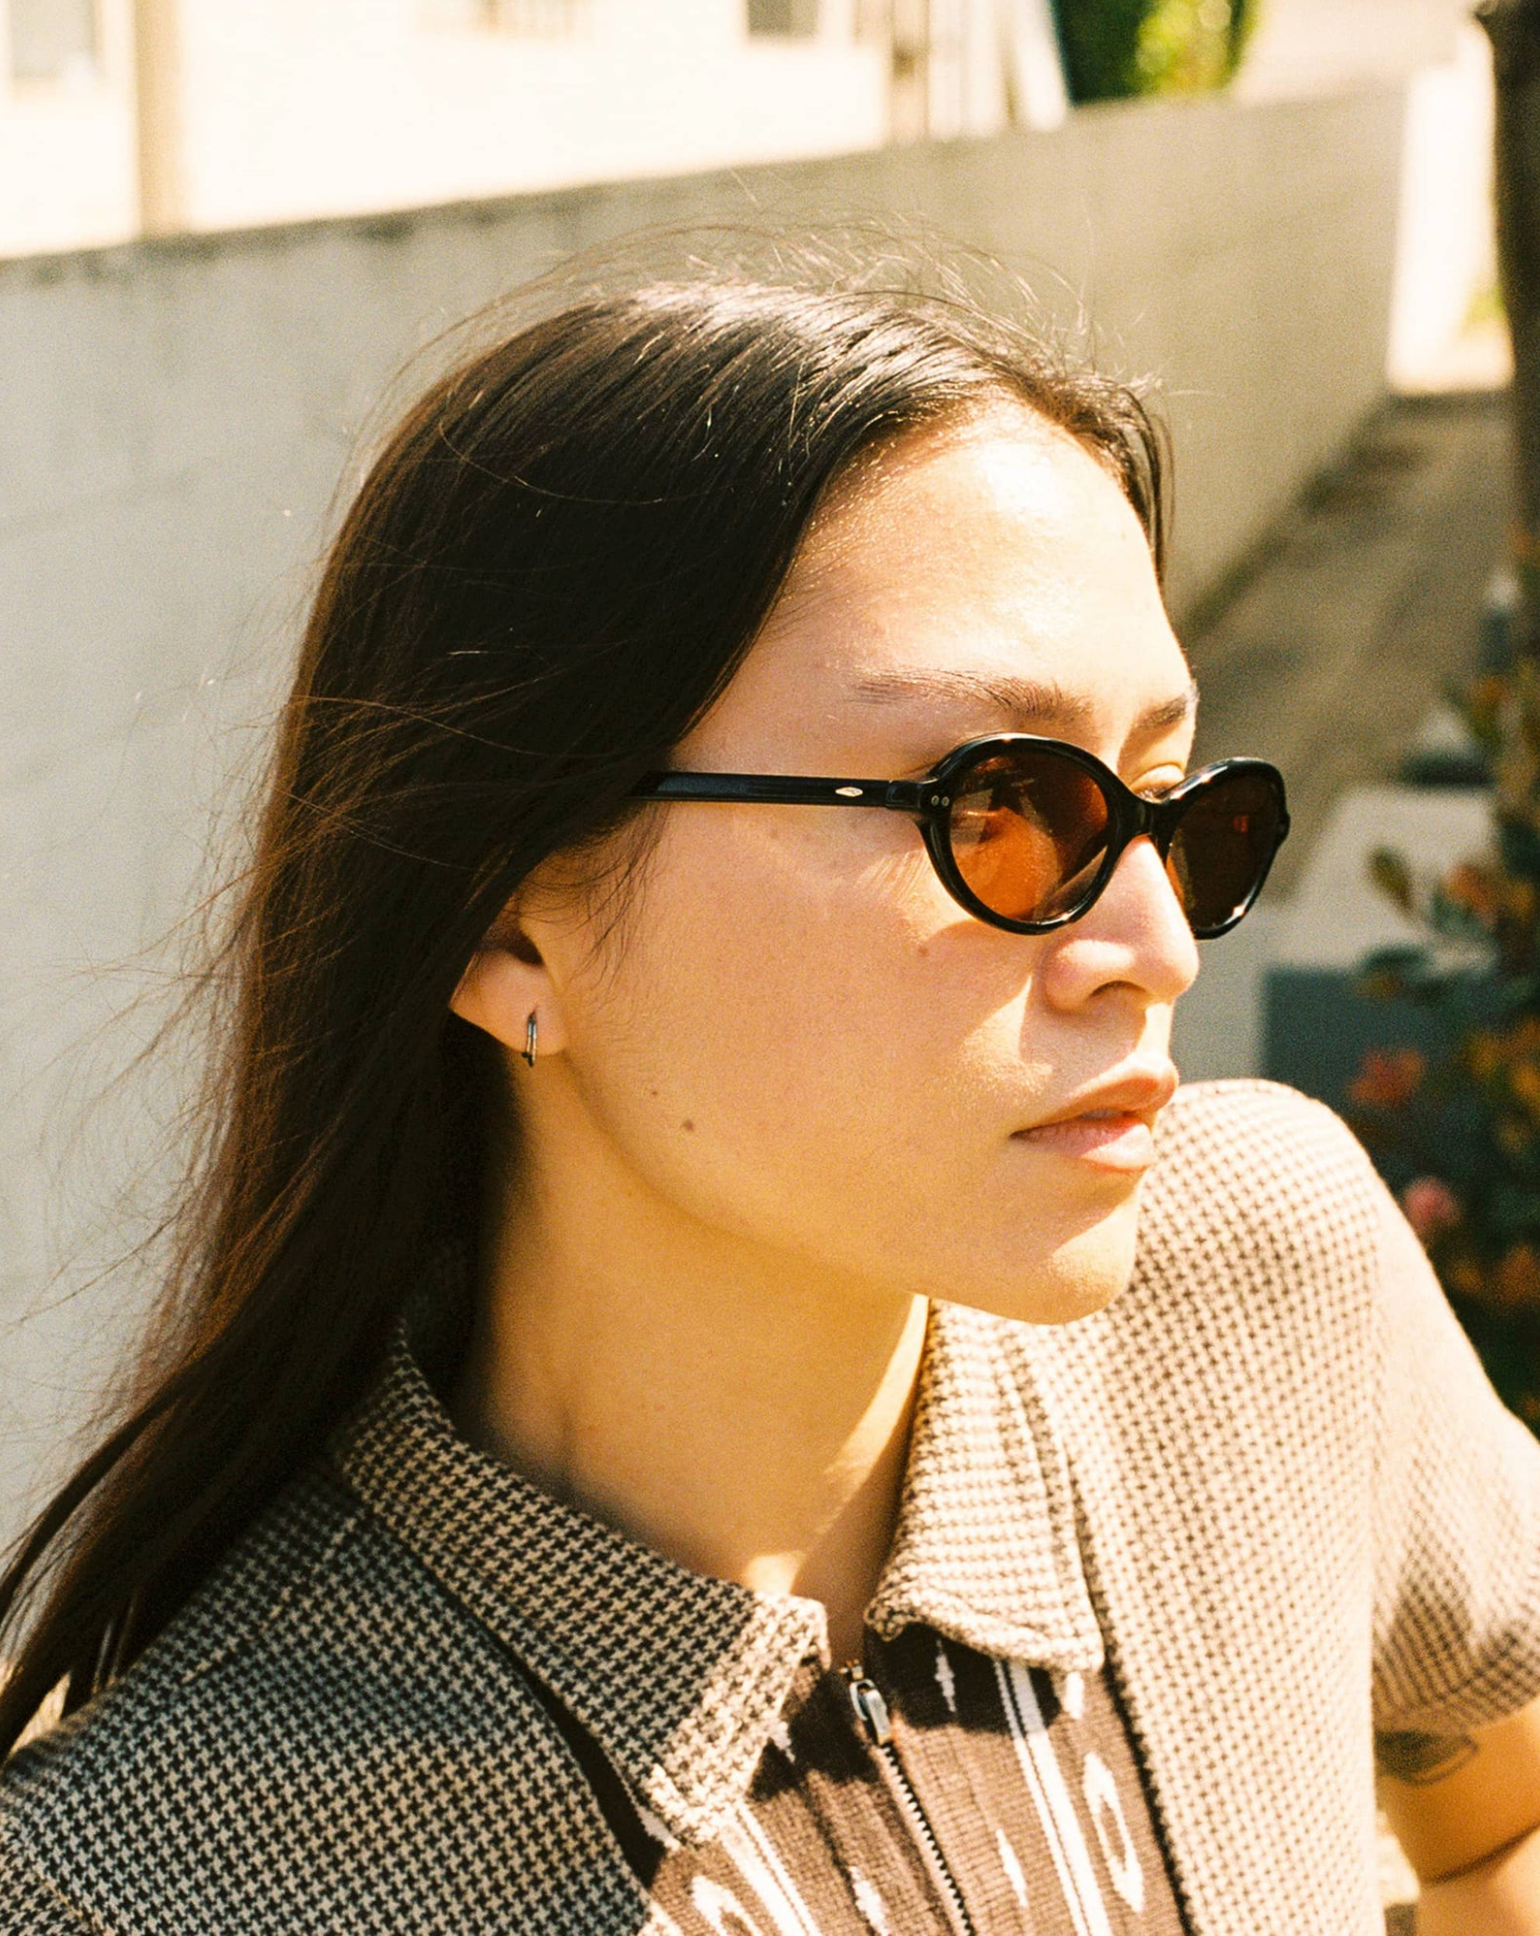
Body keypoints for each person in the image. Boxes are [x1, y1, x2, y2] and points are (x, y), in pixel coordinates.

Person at [0, 272, 1537, 1936]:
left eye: (1171, 807)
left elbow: (1502, 1828)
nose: (1157, 946)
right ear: (507, 923)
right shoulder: (141, 1882)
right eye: (999, 807)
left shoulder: (1260, 1287)